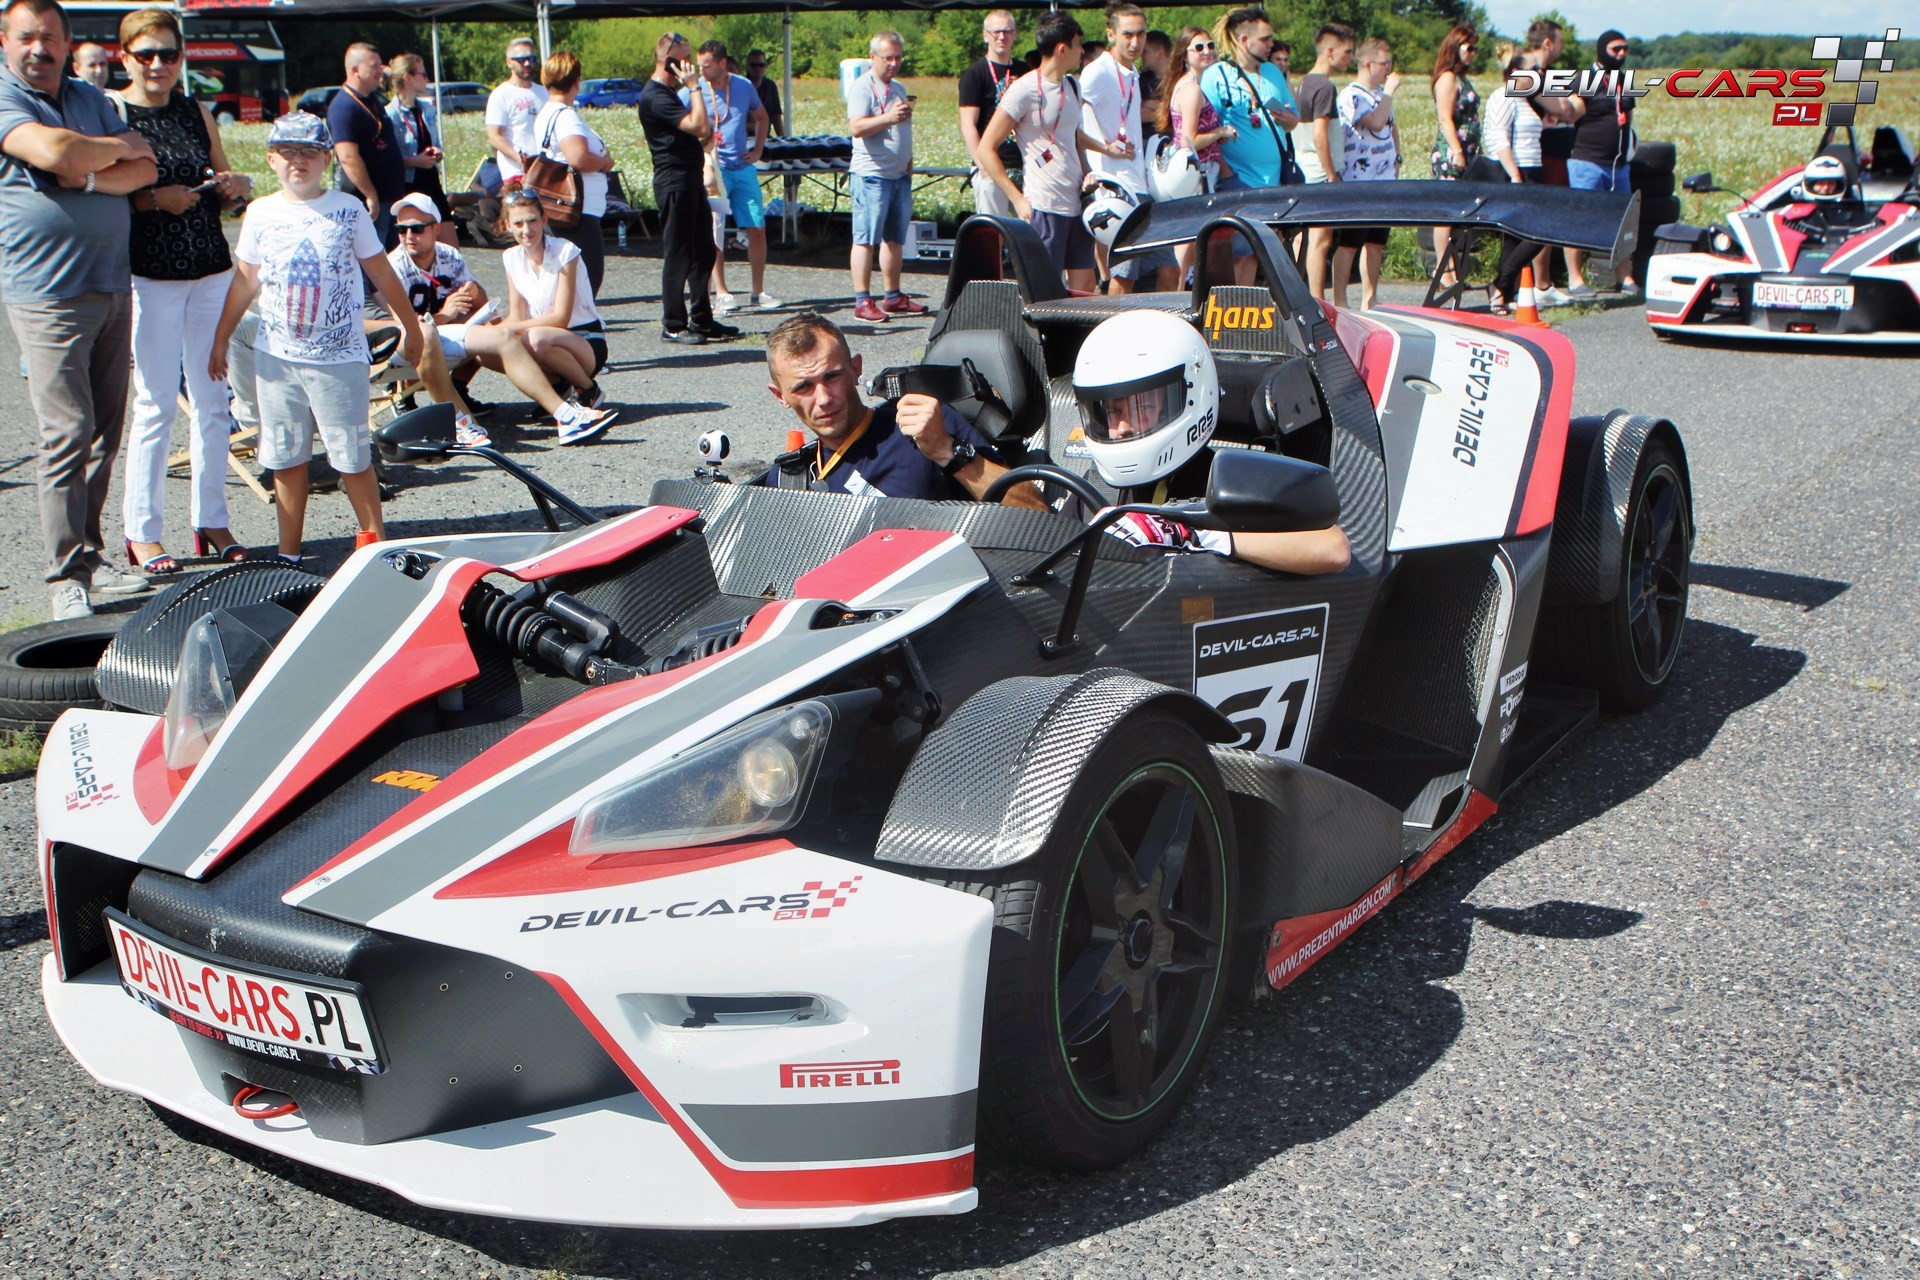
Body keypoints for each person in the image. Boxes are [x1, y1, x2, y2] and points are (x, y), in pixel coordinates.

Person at [0, 0, 157, 618]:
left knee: (102, 433)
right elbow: (54, 154)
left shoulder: (89, 97)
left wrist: (87, 170)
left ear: (68, 44)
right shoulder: (5, 96)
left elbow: (143, 166)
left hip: (111, 283)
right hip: (47, 292)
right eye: (26, 37)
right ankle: (65, 576)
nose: (38, 49)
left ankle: (90, 559)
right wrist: (110, 149)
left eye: (50, 38)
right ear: (4, 41)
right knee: (66, 433)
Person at [210, 112, 423, 564]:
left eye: (309, 152)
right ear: (271, 159)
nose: (298, 161)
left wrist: (410, 325)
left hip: (339, 359)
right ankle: (288, 554)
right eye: (287, 152)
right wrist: (220, 339)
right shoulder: (260, 212)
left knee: (352, 456)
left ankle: (375, 547)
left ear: (327, 159)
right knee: (286, 457)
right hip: (277, 360)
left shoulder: (347, 210)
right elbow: (245, 282)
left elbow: (381, 271)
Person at [116, 5, 252, 573]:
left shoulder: (195, 109)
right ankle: (142, 532)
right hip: (151, 274)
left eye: (168, 54)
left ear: (181, 58)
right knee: (154, 404)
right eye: (145, 54)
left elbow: (222, 174)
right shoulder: (112, 111)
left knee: (214, 401)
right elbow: (100, 189)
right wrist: (154, 200)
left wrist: (232, 186)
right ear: (125, 57)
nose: (157, 64)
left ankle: (211, 520)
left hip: (210, 267)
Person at [1072, 310, 1348, 573]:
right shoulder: (1094, 489)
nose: (1122, 427)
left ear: (1190, 397)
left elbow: (1333, 548)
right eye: (1113, 411)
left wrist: (1196, 534)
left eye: (1142, 408)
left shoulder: (1224, 482)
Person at [762, 312, 1042, 508]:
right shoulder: (789, 480)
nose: (823, 398)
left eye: (832, 377)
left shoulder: (923, 427)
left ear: (856, 369)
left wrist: (946, 450)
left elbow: (1036, 513)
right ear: (780, 396)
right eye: (804, 387)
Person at [976, 12, 1130, 293]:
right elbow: (986, 148)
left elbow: (1072, 135)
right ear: (1062, 48)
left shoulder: (1072, 85)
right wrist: (1018, 199)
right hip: (1044, 205)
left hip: (1078, 202)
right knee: (1044, 289)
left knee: (1085, 286)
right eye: (1078, 45)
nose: (1082, 52)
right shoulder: (1023, 90)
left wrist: (1089, 171)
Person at [490, 190, 617, 444]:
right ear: (507, 226)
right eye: (518, 223)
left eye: (532, 221)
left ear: (544, 220)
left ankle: (587, 390)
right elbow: (517, 314)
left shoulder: (565, 251)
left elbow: (560, 318)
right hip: (544, 338)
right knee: (487, 348)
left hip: (584, 340)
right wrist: (485, 333)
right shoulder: (511, 257)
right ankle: (558, 391)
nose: (527, 230)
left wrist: (509, 329)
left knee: (534, 338)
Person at [638, 31, 734, 345]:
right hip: (674, 182)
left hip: (690, 179)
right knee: (678, 253)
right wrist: (694, 86)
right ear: (671, 62)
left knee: (703, 251)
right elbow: (699, 126)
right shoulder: (656, 96)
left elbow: (704, 133)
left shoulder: (667, 93)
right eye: (686, 59)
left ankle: (702, 320)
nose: (691, 65)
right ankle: (673, 324)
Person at [1080, 3, 1179, 293]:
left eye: (1141, 34)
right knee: (1124, 276)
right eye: (1128, 35)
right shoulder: (1097, 71)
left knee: (1170, 268)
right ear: (1111, 34)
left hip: (1139, 184)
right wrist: (1105, 149)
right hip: (1115, 185)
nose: (1135, 42)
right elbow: (1070, 125)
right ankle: (1114, 320)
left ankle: (1161, 319)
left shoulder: (1133, 72)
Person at [383, 193, 490, 446]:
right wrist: (446, 314)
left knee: (488, 324)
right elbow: (407, 326)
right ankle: (405, 394)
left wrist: (474, 292)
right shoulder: (393, 265)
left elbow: (482, 303)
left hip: (440, 328)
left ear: (436, 229)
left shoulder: (449, 255)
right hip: (409, 337)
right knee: (427, 337)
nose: (409, 236)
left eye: (417, 228)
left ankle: (458, 387)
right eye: (402, 229)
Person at [686, 39, 776, 312]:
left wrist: (757, 149)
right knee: (714, 232)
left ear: (722, 63)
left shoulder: (743, 86)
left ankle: (758, 291)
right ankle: (721, 292)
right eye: (699, 65)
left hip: (742, 167)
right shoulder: (694, 89)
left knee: (757, 228)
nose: (701, 70)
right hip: (714, 168)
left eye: (706, 65)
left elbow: (763, 117)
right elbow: (678, 120)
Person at [846, 31, 926, 323]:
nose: (893, 63)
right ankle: (862, 300)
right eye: (887, 58)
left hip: (898, 175)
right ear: (873, 57)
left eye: (898, 57)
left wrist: (909, 163)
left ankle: (892, 296)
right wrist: (887, 118)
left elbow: (903, 128)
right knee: (865, 238)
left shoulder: (898, 88)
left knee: (894, 238)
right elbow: (856, 127)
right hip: (871, 175)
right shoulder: (862, 87)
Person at [532, 50, 613, 296]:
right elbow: (578, 158)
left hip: (564, 207)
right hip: (577, 209)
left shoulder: (546, 113)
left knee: (571, 279)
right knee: (587, 277)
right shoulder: (566, 116)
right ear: (577, 81)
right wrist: (604, 162)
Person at [1563, 30, 1637, 296]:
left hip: (1619, 166)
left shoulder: (1624, 80)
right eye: (1616, 49)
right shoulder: (1587, 79)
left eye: (1625, 49)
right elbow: (1572, 112)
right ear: (1602, 50)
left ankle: (1624, 276)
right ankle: (1575, 279)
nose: (1621, 54)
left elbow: (1628, 117)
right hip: (1588, 163)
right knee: (1580, 220)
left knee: (1624, 223)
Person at [1200, 7, 1298, 193]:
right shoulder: (1216, 76)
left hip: (1278, 184)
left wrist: (1288, 119)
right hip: (1238, 185)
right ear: (1244, 40)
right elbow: (1206, 132)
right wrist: (1227, 175)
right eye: (1264, 39)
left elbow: (1293, 121)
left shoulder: (1273, 72)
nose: (1271, 44)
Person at [1333, 38, 1400, 310]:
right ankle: (1339, 298)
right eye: (1385, 63)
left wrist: (1397, 158)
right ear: (1369, 64)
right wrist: (1390, 92)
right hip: (1359, 180)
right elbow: (1376, 122)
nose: (1388, 69)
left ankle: (1370, 297)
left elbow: (1391, 127)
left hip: (1384, 178)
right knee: (1351, 241)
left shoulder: (1381, 94)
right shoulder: (1353, 95)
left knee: (1376, 241)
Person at [1483, 49, 1549, 313]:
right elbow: (1498, 137)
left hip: (1533, 169)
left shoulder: (1525, 99)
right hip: (1517, 171)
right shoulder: (1504, 96)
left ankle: (1502, 290)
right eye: (1532, 70)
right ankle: (1500, 285)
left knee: (1516, 238)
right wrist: (1515, 175)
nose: (1538, 74)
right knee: (1536, 232)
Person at [1291, 23, 1352, 301]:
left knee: (1303, 238)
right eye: (1347, 51)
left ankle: (1298, 293)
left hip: (1304, 167)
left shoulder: (1304, 82)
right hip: (1319, 171)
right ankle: (1317, 300)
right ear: (1329, 51)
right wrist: (1331, 174)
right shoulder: (1325, 86)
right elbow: (1320, 134)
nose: (1350, 57)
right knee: (1321, 239)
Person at [327, 41, 405, 247]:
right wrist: (370, 194)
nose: (381, 70)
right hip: (368, 202)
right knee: (371, 257)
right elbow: (347, 156)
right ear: (355, 70)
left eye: (381, 65)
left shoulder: (372, 99)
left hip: (389, 198)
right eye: (374, 66)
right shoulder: (343, 106)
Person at [384, 52, 454, 248]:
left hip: (431, 181)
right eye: (423, 75)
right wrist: (415, 161)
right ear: (408, 78)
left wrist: (436, 152)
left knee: (450, 246)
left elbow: (434, 141)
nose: (427, 79)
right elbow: (388, 160)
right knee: (416, 244)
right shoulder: (390, 114)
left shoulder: (427, 108)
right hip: (408, 185)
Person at [1428, 24, 1481, 284]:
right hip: (1451, 154)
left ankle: (1452, 269)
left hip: (1466, 153)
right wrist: (1458, 151)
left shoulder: (1461, 78)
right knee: (1445, 215)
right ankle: (1444, 271)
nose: (1473, 53)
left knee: (1457, 213)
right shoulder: (1447, 78)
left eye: (1475, 49)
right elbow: (1445, 118)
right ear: (1455, 48)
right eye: (1469, 48)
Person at [957, 10, 1022, 218]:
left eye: (1007, 31)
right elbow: (968, 125)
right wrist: (982, 164)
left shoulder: (1025, 71)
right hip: (991, 165)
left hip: (1023, 165)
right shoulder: (974, 74)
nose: (1002, 37)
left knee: (1031, 229)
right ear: (986, 35)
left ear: (1015, 34)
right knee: (993, 229)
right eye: (996, 32)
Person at [485, 37, 541, 186]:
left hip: (544, 170)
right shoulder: (501, 95)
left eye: (531, 59)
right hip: (517, 173)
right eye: (522, 60)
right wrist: (521, 160)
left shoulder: (543, 92)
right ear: (509, 62)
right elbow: (494, 136)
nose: (527, 64)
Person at [744, 48, 783, 136]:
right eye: (753, 65)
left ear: (766, 66)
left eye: (761, 65)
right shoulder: (741, 85)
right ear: (747, 67)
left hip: (764, 136)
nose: (757, 68)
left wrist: (782, 139)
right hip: (744, 137)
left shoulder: (770, 86)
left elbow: (776, 117)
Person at [1140, 29, 1170, 135]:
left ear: (1160, 52)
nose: (1141, 55)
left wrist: (1147, 105)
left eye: (1145, 51)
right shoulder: (1140, 80)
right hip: (1146, 141)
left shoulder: (1179, 78)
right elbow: (1136, 114)